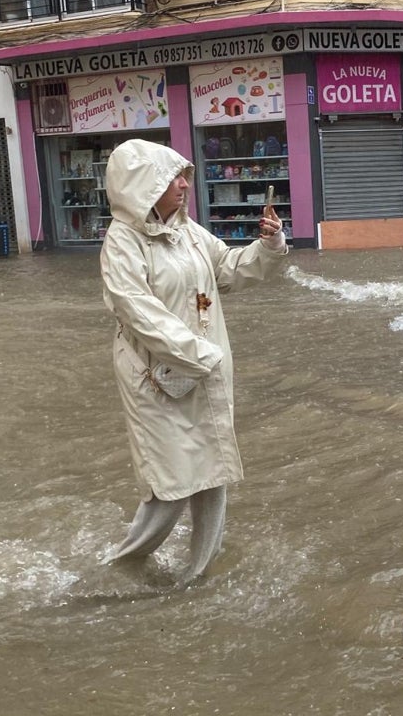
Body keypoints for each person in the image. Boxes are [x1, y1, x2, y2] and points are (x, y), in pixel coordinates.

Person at [99, 139, 288, 580]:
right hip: (156, 377)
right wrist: (202, 355)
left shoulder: (188, 231)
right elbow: (138, 312)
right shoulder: (122, 243)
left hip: (204, 370)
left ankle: (199, 573)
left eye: (182, 175)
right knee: (171, 482)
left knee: (213, 468)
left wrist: (270, 244)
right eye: (172, 178)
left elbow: (230, 269)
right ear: (143, 186)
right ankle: (121, 568)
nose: (184, 184)